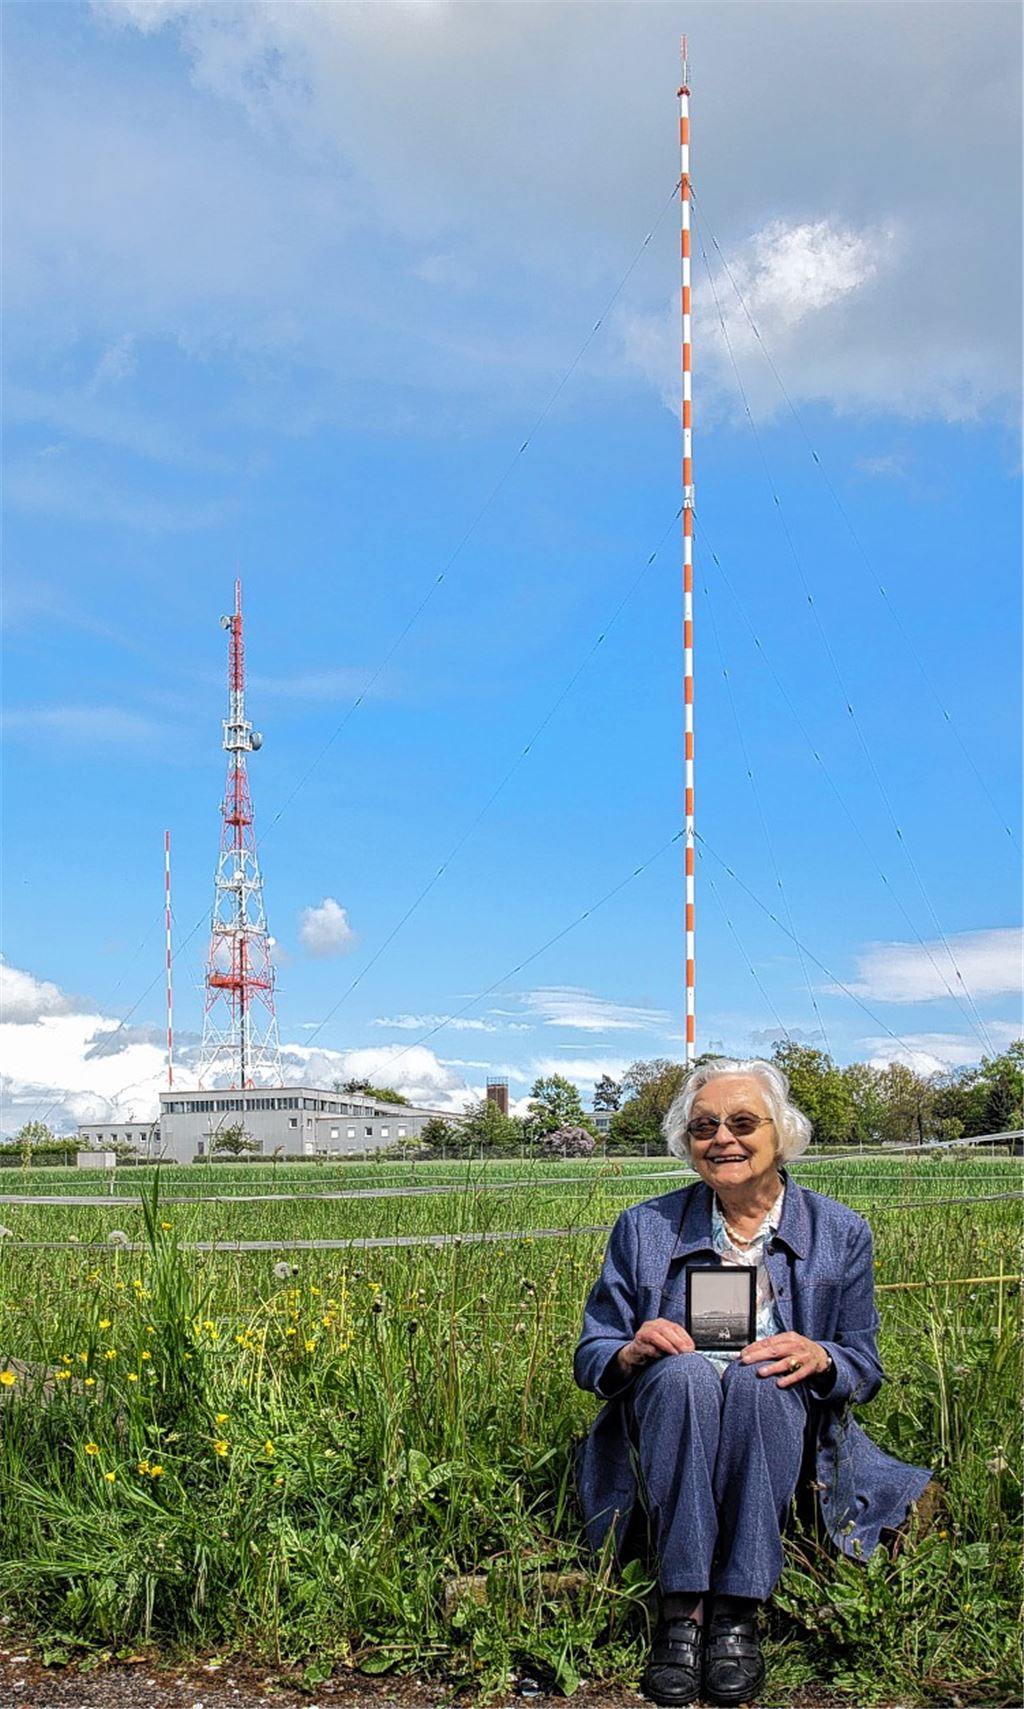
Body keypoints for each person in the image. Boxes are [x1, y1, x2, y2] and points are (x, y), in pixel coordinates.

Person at [574, 1059, 932, 1708]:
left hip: (779, 1433)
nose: (722, 1138)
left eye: (742, 1122)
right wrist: (629, 1350)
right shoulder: (643, 1227)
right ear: (687, 1143)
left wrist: (821, 1356)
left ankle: (739, 1610)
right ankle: (682, 1612)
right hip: (671, 1423)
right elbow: (592, 1352)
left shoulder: (841, 1232)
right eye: (703, 1125)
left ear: (782, 1132)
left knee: (760, 1378)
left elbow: (864, 1364)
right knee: (682, 1374)